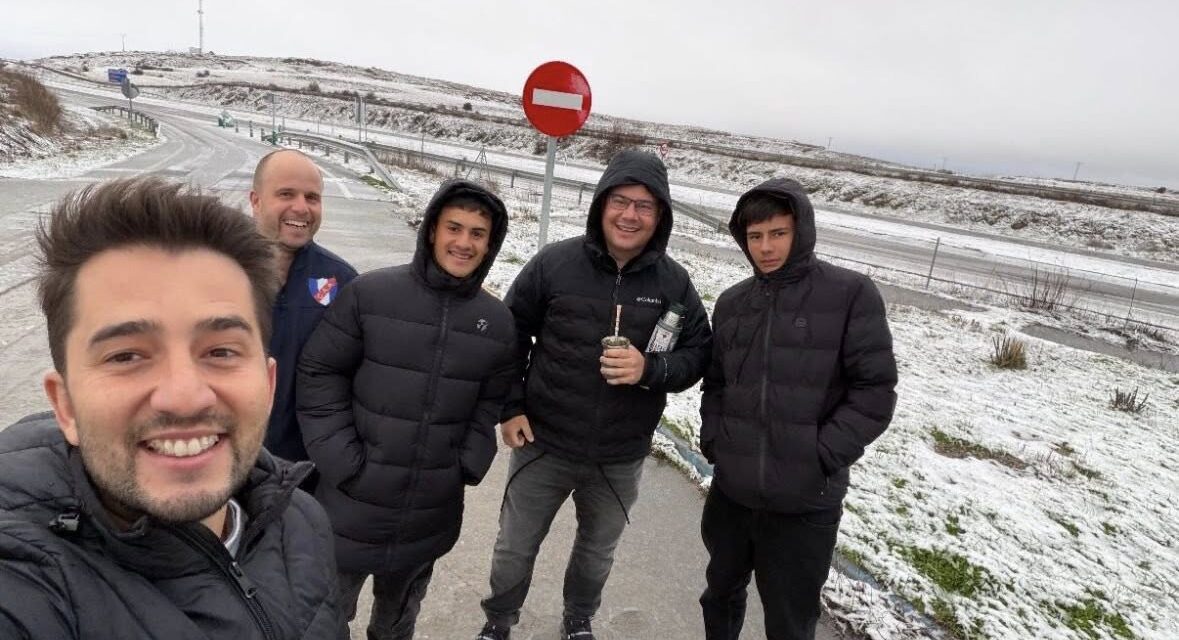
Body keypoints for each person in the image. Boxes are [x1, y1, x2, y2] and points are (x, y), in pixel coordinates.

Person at [0, 177, 340, 639]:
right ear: (66, 407)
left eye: (221, 351)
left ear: (268, 381)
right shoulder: (24, 577)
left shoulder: (302, 523)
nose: (185, 396)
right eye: (126, 355)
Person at [475, 150, 712, 640]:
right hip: (542, 442)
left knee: (597, 549)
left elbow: (698, 354)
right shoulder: (554, 264)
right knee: (516, 545)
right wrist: (511, 407)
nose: (630, 215)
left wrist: (651, 368)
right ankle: (498, 622)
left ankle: (578, 619)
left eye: (645, 206)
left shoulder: (674, 283)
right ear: (601, 204)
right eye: (620, 201)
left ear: (660, 216)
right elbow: (509, 336)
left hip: (619, 454)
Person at [298, 180, 516, 640]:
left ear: (490, 244)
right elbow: (319, 372)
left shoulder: (496, 323)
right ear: (432, 229)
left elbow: (489, 401)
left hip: (429, 512)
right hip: (350, 505)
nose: (464, 242)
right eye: (454, 227)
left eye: (478, 233)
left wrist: (467, 462)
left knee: (397, 626)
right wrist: (342, 461)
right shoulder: (371, 294)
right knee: (324, 623)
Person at [698, 178, 898, 640]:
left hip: (804, 503)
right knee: (719, 597)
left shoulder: (849, 294)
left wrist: (820, 454)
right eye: (755, 236)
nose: (765, 247)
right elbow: (717, 383)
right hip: (732, 495)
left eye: (778, 233)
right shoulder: (732, 303)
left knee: (789, 621)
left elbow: (875, 392)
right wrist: (716, 443)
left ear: (800, 231)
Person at [250, 148, 357, 464]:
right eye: (286, 194)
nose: (301, 208)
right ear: (256, 201)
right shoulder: (217, 270)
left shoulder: (342, 282)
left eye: (312, 197)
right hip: (226, 459)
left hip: (305, 470)